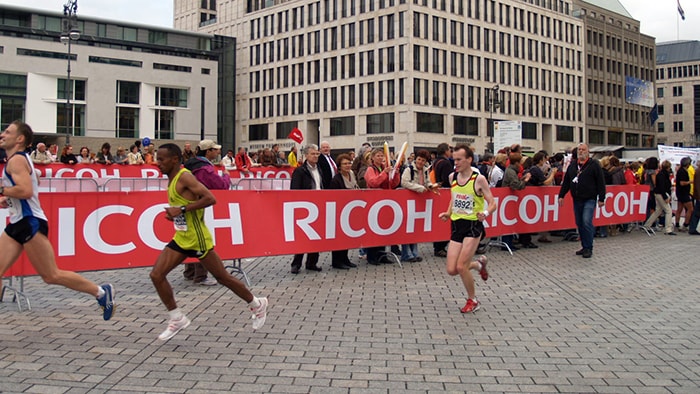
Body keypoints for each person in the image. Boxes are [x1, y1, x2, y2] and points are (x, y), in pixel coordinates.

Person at [150, 143, 267, 341]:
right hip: (182, 237)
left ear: (175, 160)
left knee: (223, 278)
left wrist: (182, 210)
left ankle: (257, 304)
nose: (157, 163)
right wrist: (176, 214)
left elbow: (210, 198)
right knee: (156, 275)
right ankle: (176, 317)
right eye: (157, 158)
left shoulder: (185, 176)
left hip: (197, 239)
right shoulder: (172, 178)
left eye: (162, 159)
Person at [0, 121, 115, 320]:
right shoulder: (19, 159)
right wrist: (7, 198)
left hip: (30, 222)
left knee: (51, 275)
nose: (2, 134)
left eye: (7, 131)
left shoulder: (16, 161)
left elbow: (25, 191)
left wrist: (3, 191)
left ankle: (102, 292)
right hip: (19, 221)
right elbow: (27, 187)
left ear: (20, 139)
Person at [438, 144, 495, 314]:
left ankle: (473, 300)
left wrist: (485, 212)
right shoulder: (452, 177)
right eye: (454, 159)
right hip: (457, 225)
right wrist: (448, 213)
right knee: (451, 269)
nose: (455, 163)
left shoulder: (479, 179)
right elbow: (454, 198)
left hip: (473, 226)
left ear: (469, 159)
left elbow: (493, 203)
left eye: (459, 159)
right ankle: (478, 264)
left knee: (462, 267)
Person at [182, 139, 231, 286]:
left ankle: (189, 272)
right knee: (202, 239)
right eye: (215, 149)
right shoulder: (204, 169)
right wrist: (226, 175)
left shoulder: (191, 164)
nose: (218, 152)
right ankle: (201, 276)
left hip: (187, 204)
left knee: (189, 238)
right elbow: (221, 185)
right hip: (198, 206)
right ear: (208, 151)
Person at [558, 143, 607, 258]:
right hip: (577, 198)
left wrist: (601, 198)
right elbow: (567, 182)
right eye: (579, 149)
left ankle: (589, 247)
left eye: (583, 149)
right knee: (579, 223)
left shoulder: (594, 165)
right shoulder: (573, 165)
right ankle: (584, 246)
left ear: (588, 151)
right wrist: (561, 195)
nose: (581, 151)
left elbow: (601, 182)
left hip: (589, 198)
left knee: (586, 221)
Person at [289, 144, 324, 274]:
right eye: (313, 154)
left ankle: (312, 262)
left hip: (319, 205)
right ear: (306, 155)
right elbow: (294, 190)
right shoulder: (300, 171)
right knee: (302, 236)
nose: (315, 156)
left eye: (317, 154)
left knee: (316, 236)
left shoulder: (319, 169)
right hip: (305, 207)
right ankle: (296, 263)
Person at [363, 148, 401, 265]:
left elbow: (393, 184)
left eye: (381, 156)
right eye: (378, 156)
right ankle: (372, 256)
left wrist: (395, 174)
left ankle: (382, 254)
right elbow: (373, 182)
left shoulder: (385, 167)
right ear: (372, 158)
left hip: (384, 201)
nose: (380, 158)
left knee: (383, 229)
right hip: (373, 201)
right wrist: (384, 173)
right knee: (373, 230)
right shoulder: (370, 169)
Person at [400, 149, 438, 262]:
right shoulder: (409, 169)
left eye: (423, 160)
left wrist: (430, 186)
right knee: (407, 228)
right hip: (409, 200)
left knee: (415, 228)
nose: (420, 162)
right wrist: (420, 188)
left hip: (418, 201)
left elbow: (427, 181)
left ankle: (414, 253)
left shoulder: (425, 170)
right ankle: (407, 254)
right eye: (419, 159)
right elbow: (404, 182)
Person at [328, 153, 359, 270]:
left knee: (346, 237)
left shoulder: (352, 174)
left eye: (349, 163)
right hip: (339, 211)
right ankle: (337, 261)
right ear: (339, 166)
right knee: (338, 238)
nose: (347, 165)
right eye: (344, 164)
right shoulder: (336, 179)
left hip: (350, 210)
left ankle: (345, 258)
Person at [502, 145, 534, 249]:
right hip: (509, 199)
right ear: (516, 163)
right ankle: (507, 243)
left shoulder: (511, 171)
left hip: (510, 199)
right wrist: (525, 180)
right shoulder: (511, 172)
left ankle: (509, 242)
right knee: (508, 222)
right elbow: (516, 186)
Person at [431, 143, 454, 257]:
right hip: (445, 193)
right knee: (446, 221)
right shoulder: (446, 163)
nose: (451, 151)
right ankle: (440, 246)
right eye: (450, 149)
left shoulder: (436, 162)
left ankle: (438, 245)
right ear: (445, 151)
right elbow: (448, 179)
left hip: (438, 192)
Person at [643, 160, 676, 235]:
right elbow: (662, 187)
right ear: (668, 167)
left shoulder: (660, 174)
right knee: (668, 210)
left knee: (658, 210)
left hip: (658, 193)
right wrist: (665, 197)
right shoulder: (662, 175)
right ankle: (668, 229)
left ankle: (647, 225)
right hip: (661, 194)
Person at [674, 157, 693, 232]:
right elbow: (682, 183)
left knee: (680, 208)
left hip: (680, 192)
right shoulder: (682, 172)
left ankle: (677, 224)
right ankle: (685, 224)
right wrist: (690, 182)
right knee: (690, 209)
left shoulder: (681, 171)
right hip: (683, 193)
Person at [689, 161, 700, 235]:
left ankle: (692, 228)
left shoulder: (697, 170)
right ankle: (692, 228)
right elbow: (698, 184)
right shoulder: (699, 171)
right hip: (699, 196)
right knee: (697, 212)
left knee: (697, 212)